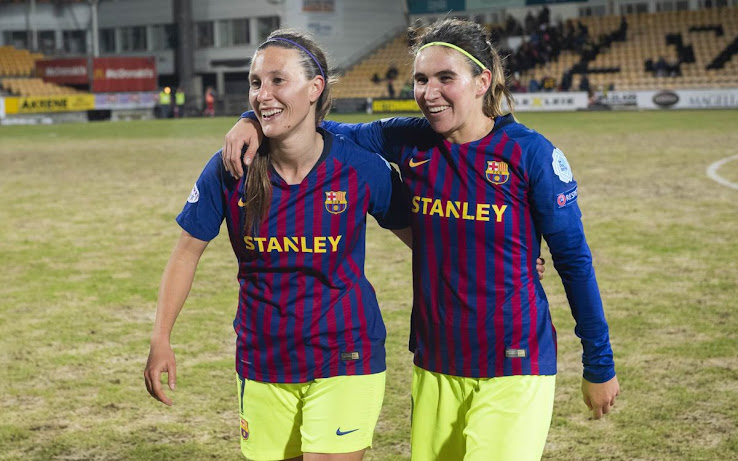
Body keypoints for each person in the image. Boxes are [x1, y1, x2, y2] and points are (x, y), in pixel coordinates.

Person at [220, 18, 616, 461]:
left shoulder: (531, 154)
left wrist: (598, 362)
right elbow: (317, 130)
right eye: (421, 79)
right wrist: (251, 121)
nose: (429, 92)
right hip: (436, 362)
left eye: (445, 77)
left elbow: (574, 261)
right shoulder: (409, 140)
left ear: (482, 81)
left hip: (516, 359)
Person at [144, 29, 412, 461]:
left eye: (277, 80)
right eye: (255, 83)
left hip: (346, 350)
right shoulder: (231, 168)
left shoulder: (359, 168)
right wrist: (160, 338)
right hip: (263, 357)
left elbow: (426, 241)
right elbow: (186, 252)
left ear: (315, 87)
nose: (262, 94)